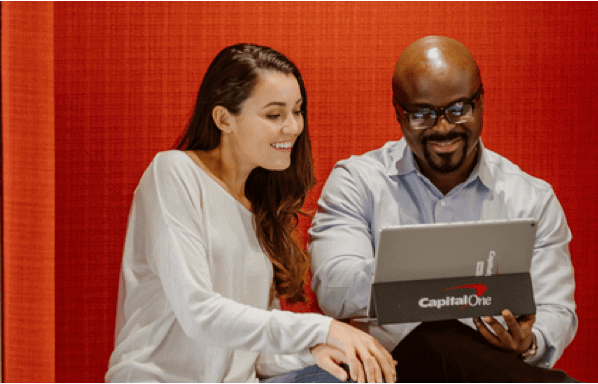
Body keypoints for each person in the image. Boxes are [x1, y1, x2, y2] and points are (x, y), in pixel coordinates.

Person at [106, 44, 397, 383]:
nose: (293, 127)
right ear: (223, 119)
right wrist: (323, 327)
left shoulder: (260, 207)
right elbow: (199, 314)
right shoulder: (173, 173)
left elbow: (253, 348)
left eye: (297, 111)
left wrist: (312, 351)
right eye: (274, 115)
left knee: (350, 374)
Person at [309, 36, 578, 382]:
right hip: (393, 373)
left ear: (480, 102)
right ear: (398, 112)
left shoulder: (532, 198)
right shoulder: (357, 181)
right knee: (434, 339)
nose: (442, 127)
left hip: (495, 370)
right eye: (422, 114)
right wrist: (421, 274)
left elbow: (557, 310)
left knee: (449, 342)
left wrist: (529, 341)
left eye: (458, 109)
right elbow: (333, 287)